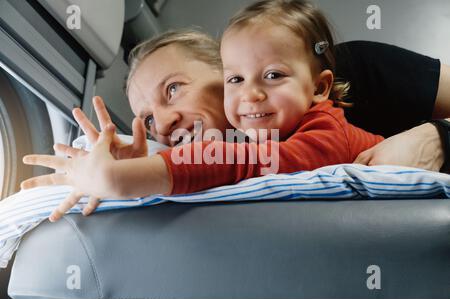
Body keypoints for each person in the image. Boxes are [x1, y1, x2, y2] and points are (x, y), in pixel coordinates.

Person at [21, 0, 450, 222]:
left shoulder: (324, 121)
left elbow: (245, 161)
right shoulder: (248, 139)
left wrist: (124, 178)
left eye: (174, 89)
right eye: (149, 120)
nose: (164, 124)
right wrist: (148, 160)